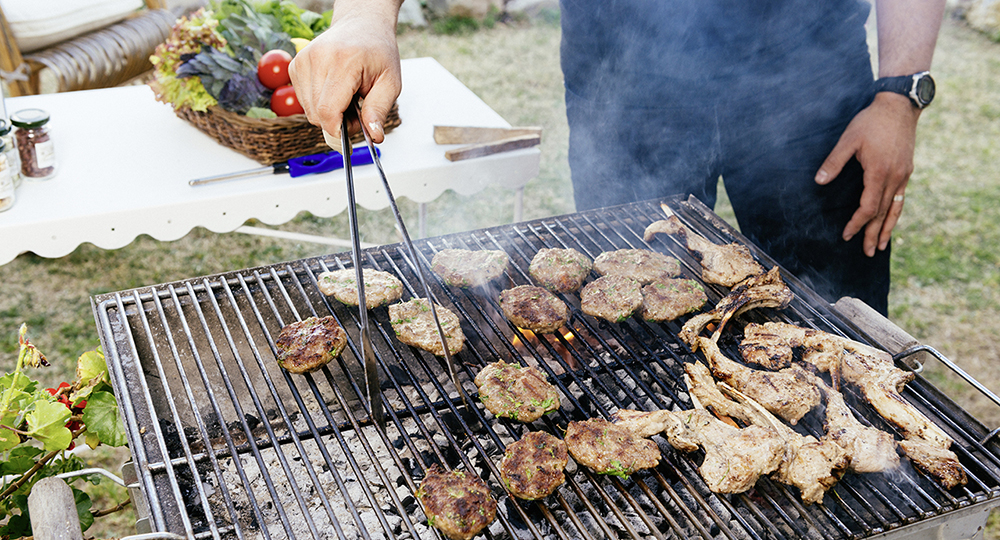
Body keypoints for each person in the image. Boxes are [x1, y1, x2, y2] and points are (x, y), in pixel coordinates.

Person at [289, 0, 946, 316]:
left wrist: (899, 93)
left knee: (833, 324)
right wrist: (365, 16)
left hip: (809, 78)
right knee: (627, 306)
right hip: (626, 78)